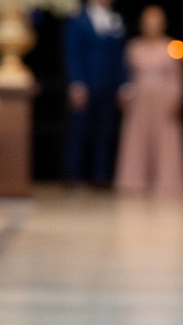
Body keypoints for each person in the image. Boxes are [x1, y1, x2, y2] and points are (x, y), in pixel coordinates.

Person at [114, 5, 183, 197]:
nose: (152, 26)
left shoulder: (172, 46)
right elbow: (126, 75)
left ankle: (168, 180)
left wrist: (177, 98)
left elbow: (177, 76)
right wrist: (124, 93)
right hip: (139, 99)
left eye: (156, 22)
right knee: (137, 137)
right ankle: (134, 180)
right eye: (148, 23)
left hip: (164, 99)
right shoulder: (133, 47)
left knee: (166, 139)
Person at [63, 0, 127, 186]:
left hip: (108, 84)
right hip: (85, 83)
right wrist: (76, 83)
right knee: (78, 131)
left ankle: (100, 175)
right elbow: (72, 53)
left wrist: (123, 85)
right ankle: (73, 174)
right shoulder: (78, 19)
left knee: (104, 132)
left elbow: (119, 56)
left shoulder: (115, 19)